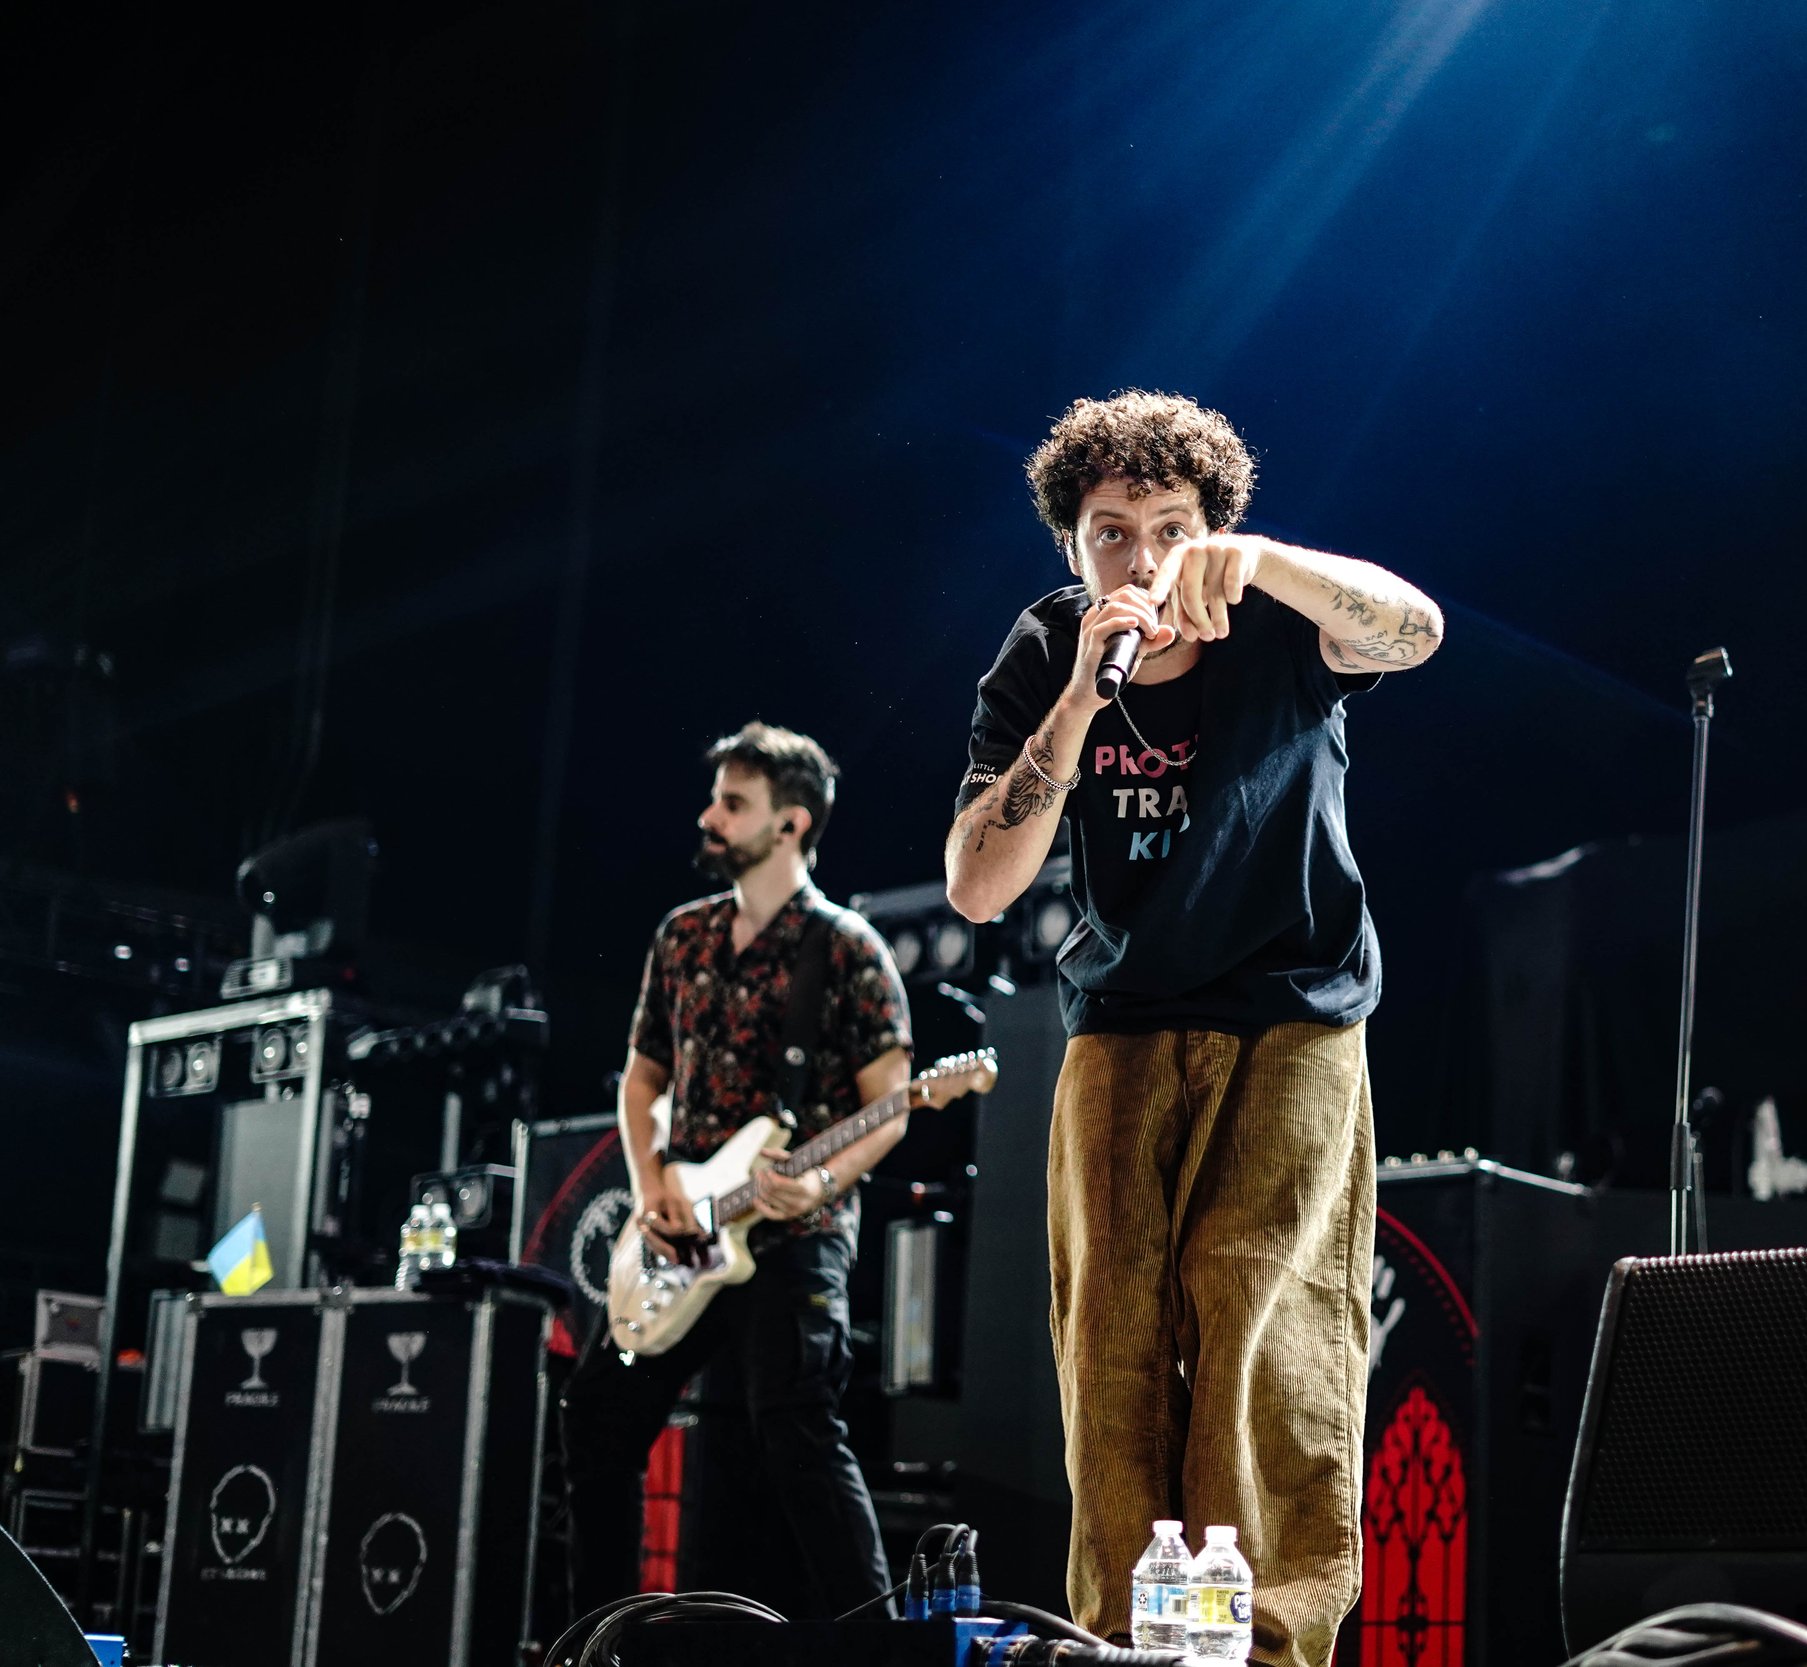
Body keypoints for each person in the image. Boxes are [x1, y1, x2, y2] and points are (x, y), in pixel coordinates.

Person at [945, 390, 1443, 1667]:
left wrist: (1269, 560)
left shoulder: (1280, 612)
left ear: (1211, 527)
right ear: (1072, 545)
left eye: (1169, 524)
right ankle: (1123, 1639)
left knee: (1257, 1309)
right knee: (1107, 1327)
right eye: (1110, 530)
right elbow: (977, 884)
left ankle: (1263, 1640)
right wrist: (1072, 703)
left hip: (1294, 1004)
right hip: (1123, 1014)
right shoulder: (1046, 645)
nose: (1140, 555)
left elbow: (1418, 628)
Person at [562, 722, 909, 1623]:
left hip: (795, 1233)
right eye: (716, 797)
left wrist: (825, 1183)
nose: (709, 815)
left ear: (791, 824)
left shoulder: (847, 949)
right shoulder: (680, 938)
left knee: (797, 1430)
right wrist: (652, 1186)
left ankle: (878, 1646)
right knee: (596, 1420)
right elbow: (642, 1079)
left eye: (734, 803)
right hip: (680, 1230)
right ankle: (604, 1640)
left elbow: (895, 1101)